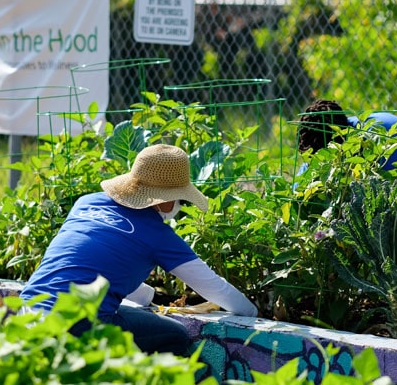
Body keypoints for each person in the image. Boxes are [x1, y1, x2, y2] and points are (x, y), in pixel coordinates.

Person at [19, 144, 258, 356]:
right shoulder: (158, 235)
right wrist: (251, 312)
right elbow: (215, 289)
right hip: (78, 327)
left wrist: (148, 298)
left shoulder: (87, 203)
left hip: (27, 312)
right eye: (180, 199)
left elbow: (95, 265)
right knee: (176, 336)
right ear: (166, 201)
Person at [298, 99, 397, 212]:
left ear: (338, 144)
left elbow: (391, 201)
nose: (320, 164)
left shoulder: (378, 141)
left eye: (325, 157)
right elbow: (301, 187)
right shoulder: (319, 139)